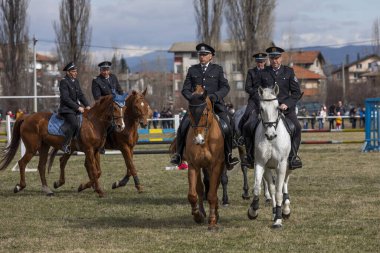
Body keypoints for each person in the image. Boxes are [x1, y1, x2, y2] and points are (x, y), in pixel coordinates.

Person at [170, 42, 239, 169]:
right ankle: (179, 155)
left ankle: (228, 156)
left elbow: (225, 87)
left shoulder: (217, 69)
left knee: (228, 124)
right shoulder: (192, 70)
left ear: (211, 56)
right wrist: (192, 98)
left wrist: (215, 96)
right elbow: (185, 89)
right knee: (183, 125)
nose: (202, 56)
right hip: (197, 106)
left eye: (205, 54)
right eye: (200, 54)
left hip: (215, 104)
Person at [242, 46, 303, 169]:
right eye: (272, 58)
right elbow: (257, 90)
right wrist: (263, 103)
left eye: (277, 58)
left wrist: (287, 104)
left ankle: (292, 157)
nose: (274, 60)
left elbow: (296, 93)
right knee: (248, 126)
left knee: (297, 127)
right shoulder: (263, 72)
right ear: (269, 59)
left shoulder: (289, 72)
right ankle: (250, 156)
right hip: (268, 110)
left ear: (281, 58)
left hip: (285, 108)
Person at [92, 61, 124, 153]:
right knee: (104, 124)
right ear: (100, 70)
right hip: (103, 108)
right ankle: (101, 144)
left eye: (107, 70)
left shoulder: (113, 77)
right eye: (103, 70)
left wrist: (121, 98)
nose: (105, 72)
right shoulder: (96, 80)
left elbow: (120, 90)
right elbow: (97, 98)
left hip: (116, 105)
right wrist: (110, 98)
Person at [58, 62, 91, 154]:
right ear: (68, 72)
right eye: (73, 71)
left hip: (76, 109)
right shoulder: (63, 82)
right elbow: (65, 98)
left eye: (76, 71)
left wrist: (87, 105)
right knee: (75, 124)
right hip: (66, 109)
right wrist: (77, 107)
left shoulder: (75, 81)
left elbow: (80, 95)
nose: (76, 73)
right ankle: (65, 144)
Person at [238, 52, 267, 137]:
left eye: (262, 62)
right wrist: (256, 94)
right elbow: (247, 87)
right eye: (258, 62)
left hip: (266, 98)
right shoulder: (251, 72)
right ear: (256, 62)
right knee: (246, 114)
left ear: (265, 62)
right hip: (254, 99)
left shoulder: (268, 71)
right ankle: (241, 135)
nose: (260, 64)